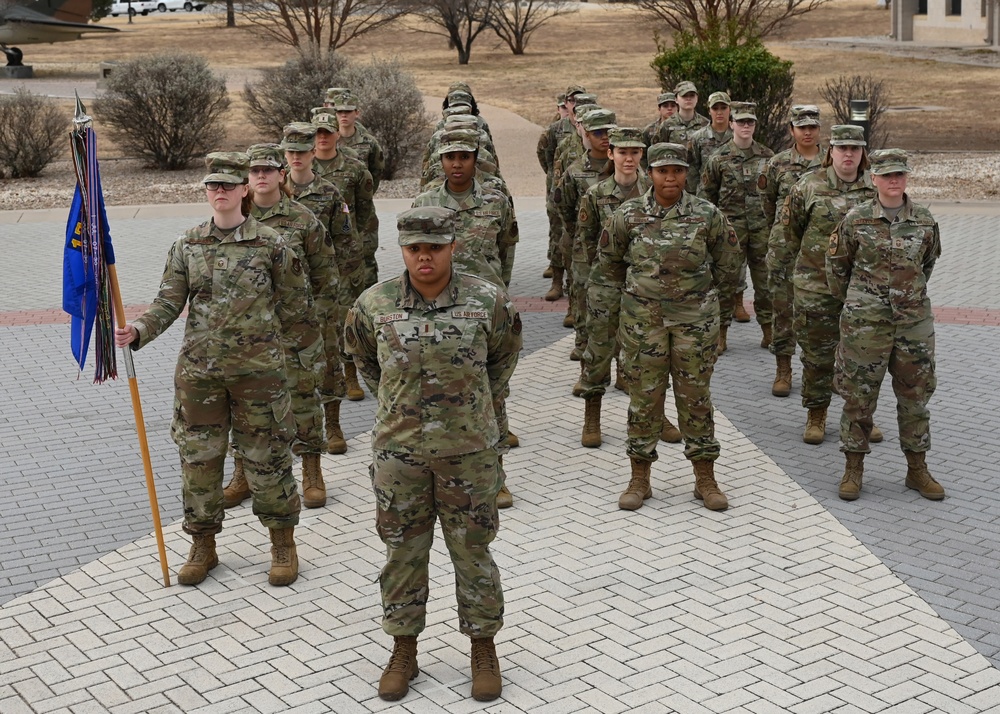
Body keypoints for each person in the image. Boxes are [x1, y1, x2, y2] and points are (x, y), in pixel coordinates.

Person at [345, 207, 521, 703]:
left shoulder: (487, 300)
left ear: (451, 247)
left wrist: (472, 409)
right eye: (415, 248)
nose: (425, 256)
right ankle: (404, 648)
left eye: (435, 247)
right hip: (400, 456)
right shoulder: (373, 304)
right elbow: (365, 362)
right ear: (402, 249)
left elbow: (503, 360)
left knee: (474, 553)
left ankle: (483, 647)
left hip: (469, 454)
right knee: (402, 553)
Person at [113, 152, 311, 586]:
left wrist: (297, 367)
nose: (219, 192)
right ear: (206, 192)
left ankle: (282, 542)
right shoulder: (187, 245)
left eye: (227, 184)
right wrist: (140, 331)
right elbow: (168, 302)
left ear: (244, 190)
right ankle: (203, 543)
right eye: (211, 185)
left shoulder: (272, 246)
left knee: (267, 458)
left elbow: (298, 308)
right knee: (199, 462)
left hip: (259, 377)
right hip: (200, 378)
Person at [583, 143, 742, 512]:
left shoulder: (706, 215)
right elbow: (608, 265)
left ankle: (705, 476)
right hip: (643, 323)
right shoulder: (629, 214)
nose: (670, 177)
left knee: (695, 398)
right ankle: (640, 477)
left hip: (694, 323)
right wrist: (620, 309)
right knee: (644, 399)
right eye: (662, 170)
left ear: (687, 174)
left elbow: (729, 263)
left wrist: (708, 306)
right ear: (650, 173)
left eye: (677, 170)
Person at [828, 149, 944, 502]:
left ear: (907, 178)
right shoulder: (856, 219)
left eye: (900, 175)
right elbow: (837, 269)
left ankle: (917, 469)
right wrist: (861, 302)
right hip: (866, 324)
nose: (895, 181)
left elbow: (927, 264)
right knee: (858, 398)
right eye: (887, 175)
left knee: (915, 399)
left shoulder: (924, 220)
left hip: (913, 325)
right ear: (873, 178)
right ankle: (853, 468)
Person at [229, 143, 335, 510]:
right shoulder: (233, 220)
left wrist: (311, 322)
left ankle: (312, 471)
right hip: (247, 336)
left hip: (294, 332)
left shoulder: (303, 220)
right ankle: (242, 473)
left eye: (267, 170)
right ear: (246, 179)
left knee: (303, 400)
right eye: (254, 171)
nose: (260, 177)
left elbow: (325, 277)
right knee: (242, 405)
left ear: (280, 174)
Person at [770, 124, 880, 446]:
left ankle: (861, 417)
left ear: (862, 155)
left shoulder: (875, 191)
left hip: (861, 291)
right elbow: (785, 236)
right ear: (830, 150)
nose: (848, 154)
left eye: (854, 149)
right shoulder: (808, 187)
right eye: (842, 148)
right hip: (815, 288)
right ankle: (816, 414)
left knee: (861, 358)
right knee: (817, 357)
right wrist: (780, 279)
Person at [282, 122, 358, 455]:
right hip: (284, 298)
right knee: (287, 364)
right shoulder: (271, 193)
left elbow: (346, 242)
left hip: (324, 295)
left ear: (313, 153)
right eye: (290, 152)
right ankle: (297, 429)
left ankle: (334, 424)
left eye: (302, 151)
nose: (296, 157)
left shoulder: (329, 194)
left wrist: (343, 290)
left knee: (329, 359)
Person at [699, 101, 774, 351]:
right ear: (731, 124)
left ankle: (768, 331)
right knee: (725, 282)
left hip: (761, 230)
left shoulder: (768, 156)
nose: (745, 126)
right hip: (729, 232)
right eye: (741, 121)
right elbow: (706, 196)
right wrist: (711, 231)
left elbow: (776, 194)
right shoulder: (718, 158)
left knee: (766, 284)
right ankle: (720, 335)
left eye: (750, 122)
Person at [760, 105, 824, 398]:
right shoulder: (777, 164)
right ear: (792, 130)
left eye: (812, 127)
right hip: (785, 249)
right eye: (802, 127)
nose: (807, 132)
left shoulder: (831, 162)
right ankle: (783, 369)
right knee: (783, 310)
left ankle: (823, 371)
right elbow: (768, 204)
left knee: (823, 316)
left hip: (821, 253)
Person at [312, 108, 375, 402]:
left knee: (346, 317)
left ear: (337, 134)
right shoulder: (295, 171)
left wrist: (361, 252)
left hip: (344, 256)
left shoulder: (354, 168)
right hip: (309, 259)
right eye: (317, 133)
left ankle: (350, 373)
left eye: (327, 132)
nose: (322, 138)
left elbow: (365, 214)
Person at [555, 107, 616, 362]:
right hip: (584, 246)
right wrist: (578, 234)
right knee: (581, 293)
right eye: (598, 132)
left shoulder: (624, 166)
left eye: (609, 132)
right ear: (586, 135)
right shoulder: (575, 171)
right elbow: (563, 205)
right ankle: (582, 342)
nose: (604, 137)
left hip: (618, 247)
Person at [331, 90, 385, 291]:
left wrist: (363, 197)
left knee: (366, 256)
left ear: (357, 113)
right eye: (340, 112)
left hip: (362, 211)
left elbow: (375, 173)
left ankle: (370, 298)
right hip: (334, 211)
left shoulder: (369, 143)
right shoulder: (327, 139)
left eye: (348, 111)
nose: (344, 115)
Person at [537, 85, 587, 286]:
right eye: (572, 100)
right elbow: (545, 155)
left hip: (586, 195)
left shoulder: (596, 130)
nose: (576, 104)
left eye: (580, 99)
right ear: (566, 104)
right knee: (558, 236)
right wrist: (554, 177)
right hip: (559, 192)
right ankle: (557, 280)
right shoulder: (556, 129)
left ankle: (574, 286)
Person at [685, 91, 732, 192]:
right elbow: (691, 170)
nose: (719, 112)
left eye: (723, 108)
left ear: (730, 109)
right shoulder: (698, 138)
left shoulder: (737, 136)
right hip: (706, 198)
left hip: (733, 198)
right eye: (715, 108)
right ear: (709, 111)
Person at [653, 81, 709, 146]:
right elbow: (657, 151)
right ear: (676, 99)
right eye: (684, 95)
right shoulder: (666, 125)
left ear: (697, 98)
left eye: (692, 95)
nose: (688, 99)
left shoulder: (706, 124)